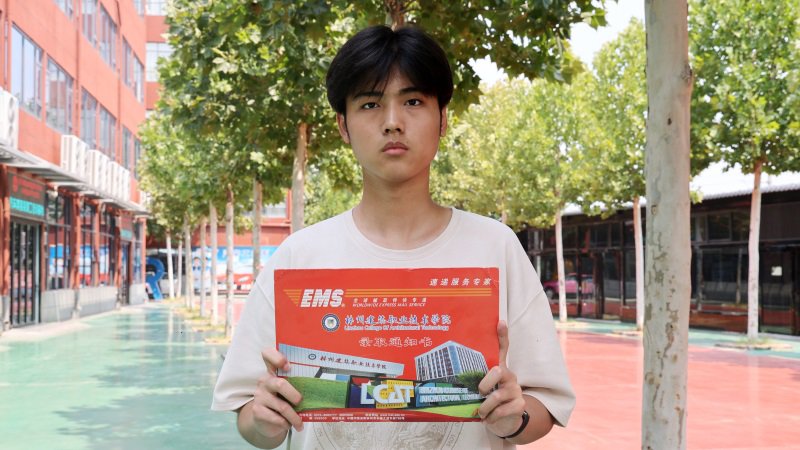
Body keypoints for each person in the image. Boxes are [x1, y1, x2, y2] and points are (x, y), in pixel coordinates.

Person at [212, 25, 575, 449]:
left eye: (413, 101)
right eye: (370, 104)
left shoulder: (496, 246)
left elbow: (543, 407)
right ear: (343, 125)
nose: (392, 122)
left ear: (443, 119)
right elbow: (249, 417)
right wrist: (265, 421)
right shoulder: (299, 257)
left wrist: (515, 417)